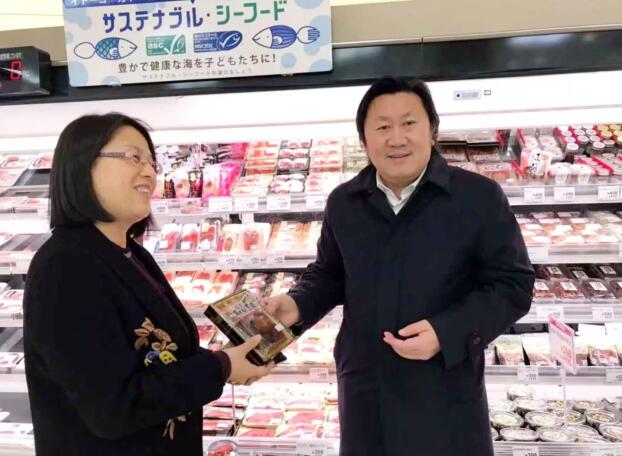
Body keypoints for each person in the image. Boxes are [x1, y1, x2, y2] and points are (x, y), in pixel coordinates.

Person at [264, 77, 534, 455]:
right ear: (364, 139)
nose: (396, 138)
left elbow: (512, 285)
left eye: (409, 123)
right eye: (382, 127)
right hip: (365, 387)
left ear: (432, 130)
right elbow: (331, 273)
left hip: (443, 388)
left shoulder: (478, 197)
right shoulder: (344, 202)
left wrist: (446, 332)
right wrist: (296, 303)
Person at [23, 113, 273, 456]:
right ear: (82, 165)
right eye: (133, 157)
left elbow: (158, 357)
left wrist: (227, 361)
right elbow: (113, 406)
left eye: (151, 162)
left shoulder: (130, 253)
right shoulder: (66, 267)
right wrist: (221, 367)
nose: (149, 172)